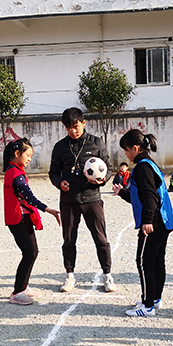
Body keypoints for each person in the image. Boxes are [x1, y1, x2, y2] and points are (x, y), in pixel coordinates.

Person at [49, 107, 114, 293]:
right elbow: (53, 173)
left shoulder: (96, 143)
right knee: (69, 239)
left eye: (76, 126)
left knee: (101, 238)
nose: (73, 131)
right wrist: (59, 182)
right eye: (69, 127)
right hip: (69, 200)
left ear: (83, 123)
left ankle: (107, 275)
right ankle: (69, 276)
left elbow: (108, 167)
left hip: (92, 198)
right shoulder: (60, 147)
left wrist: (103, 179)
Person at [113, 129, 173, 317]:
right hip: (164, 220)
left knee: (144, 261)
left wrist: (147, 221)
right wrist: (122, 193)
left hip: (154, 222)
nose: (125, 154)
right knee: (157, 260)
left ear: (135, 148)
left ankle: (147, 305)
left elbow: (150, 197)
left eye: (126, 150)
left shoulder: (142, 167)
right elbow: (140, 195)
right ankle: (155, 298)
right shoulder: (150, 164)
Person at [5, 138, 61, 305]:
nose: (30, 158)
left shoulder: (14, 171)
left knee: (32, 252)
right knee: (30, 253)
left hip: (22, 217)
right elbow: (29, 197)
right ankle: (17, 292)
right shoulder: (15, 174)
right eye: (27, 155)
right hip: (18, 219)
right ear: (17, 154)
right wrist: (48, 209)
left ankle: (24, 285)